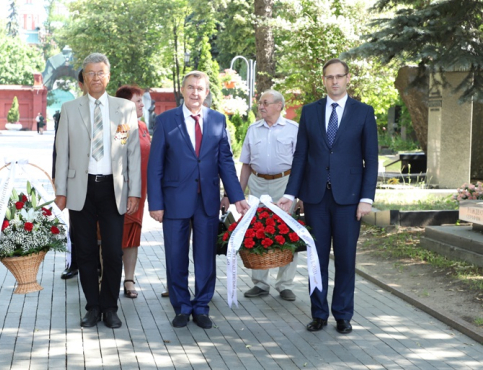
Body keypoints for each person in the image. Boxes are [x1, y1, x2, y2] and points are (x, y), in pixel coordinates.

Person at [276, 58, 378, 334]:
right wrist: (291, 193)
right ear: (323, 80)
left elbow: (371, 159)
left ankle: (343, 315)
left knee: (345, 259)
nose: (334, 81)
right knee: (315, 259)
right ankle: (319, 314)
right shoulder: (310, 112)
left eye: (339, 76)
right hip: (315, 198)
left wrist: (366, 198)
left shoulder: (363, 112)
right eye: (329, 77)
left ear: (347, 79)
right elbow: (300, 156)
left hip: (349, 199)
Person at [147, 70, 249, 329]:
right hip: (174, 201)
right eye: (190, 87)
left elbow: (225, 161)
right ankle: (182, 307)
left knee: (205, 258)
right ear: (183, 90)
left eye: (200, 88)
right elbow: (155, 166)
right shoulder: (166, 120)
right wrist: (155, 203)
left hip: (207, 201)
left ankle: (202, 306)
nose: (195, 92)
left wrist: (236, 197)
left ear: (206, 93)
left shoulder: (217, 120)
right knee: (175, 257)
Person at [54, 53, 141, 329]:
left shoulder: (124, 109)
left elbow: (132, 152)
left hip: (114, 189)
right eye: (90, 73)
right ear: (83, 78)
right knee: (86, 252)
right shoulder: (70, 109)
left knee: (113, 252)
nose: (95, 78)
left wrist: (134, 192)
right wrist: (60, 190)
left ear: (108, 76)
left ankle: (110, 307)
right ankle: (92, 306)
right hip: (80, 188)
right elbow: (62, 152)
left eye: (100, 72)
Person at [221, 89, 300, 302]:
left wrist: (300, 194)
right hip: (257, 183)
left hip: (285, 183)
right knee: (257, 230)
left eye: (266, 103)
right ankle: (260, 283)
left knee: (288, 231)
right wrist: (235, 195)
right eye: (260, 103)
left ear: (279, 106)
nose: (261, 106)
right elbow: (246, 165)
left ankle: (285, 285)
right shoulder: (253, 129)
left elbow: (301, 164)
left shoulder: (293, 129)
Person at [114, 85, 150, 299]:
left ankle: (129, 279)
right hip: (124, 191)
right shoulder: (122, 127)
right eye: (138, 101)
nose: (142, 105)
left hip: (140, 190)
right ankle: (108, 278)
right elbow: (117, 158)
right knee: (117, 235)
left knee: (133, 235)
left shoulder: (143, 126)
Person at [55, 69, 84, 281]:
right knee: (75, 227)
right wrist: (59, 183)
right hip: (75, 181)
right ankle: (73, 263)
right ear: (81, 84)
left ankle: (98, 264)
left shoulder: (113, 111)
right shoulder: (69, 110)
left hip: (104, 182)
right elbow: (58, 150)